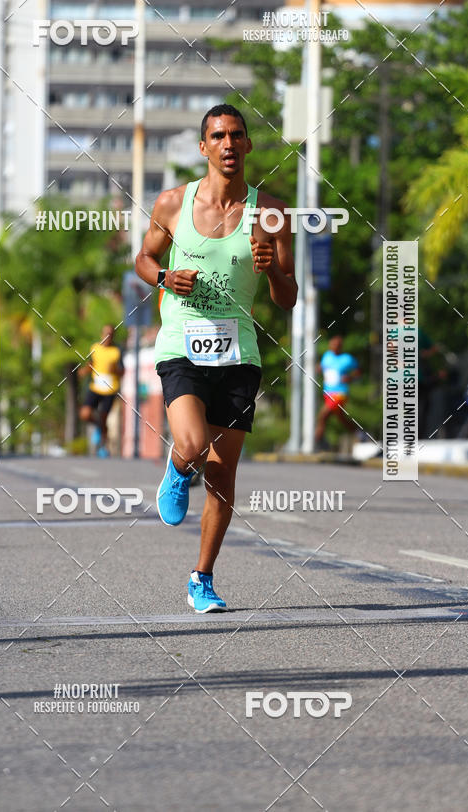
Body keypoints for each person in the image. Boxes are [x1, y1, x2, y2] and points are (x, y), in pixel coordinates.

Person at [135, 103, 297, 613]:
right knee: (192, 442)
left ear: (248, 145)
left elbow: (288, 298)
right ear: (204, 147)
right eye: (219, 136)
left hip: (238, 354)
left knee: (222, 478)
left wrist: (273, 271)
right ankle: (176, 468)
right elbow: (144, 259)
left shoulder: (272, 213)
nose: (229, 144)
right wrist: (165, 278)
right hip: (181, 345)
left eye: (237, 135)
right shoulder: (172, 204)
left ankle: (201, 578)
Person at [79, 324, 123, 458]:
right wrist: (84, 370)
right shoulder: (95, 348)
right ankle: (98, 426)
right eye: (105, 333)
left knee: (104, 418)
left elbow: (122, 371)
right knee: (85, 414)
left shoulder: (117, 351)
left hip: (110, 389)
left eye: (110, 334)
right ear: (101, 334)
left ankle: (103, 447)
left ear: (113, 336)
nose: (107, 337)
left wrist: (115, 369)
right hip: (95, 387)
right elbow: (91, 364)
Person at [315, 336, 360, 448]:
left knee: (323, 415)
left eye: (336, 346)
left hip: (340, 393)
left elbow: (358, 373)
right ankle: (360, 434)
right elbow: (322, 368)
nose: (334, 348)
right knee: (341, 418)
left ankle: (316, 441)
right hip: (327, 393)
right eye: (332, 345)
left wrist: (350, 378)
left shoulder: (347, 359)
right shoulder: (327, 356)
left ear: (340, 347)